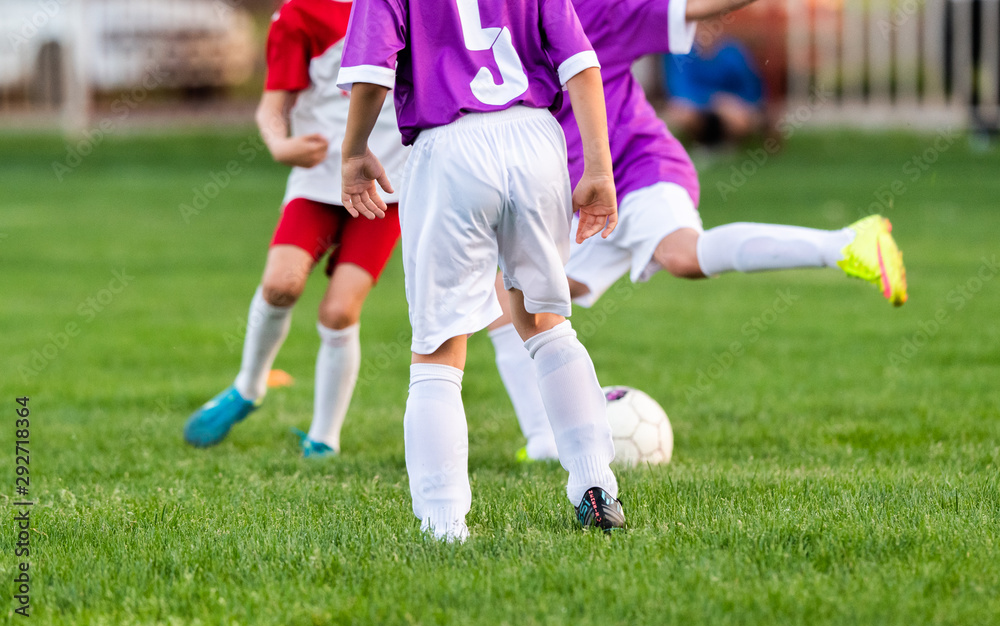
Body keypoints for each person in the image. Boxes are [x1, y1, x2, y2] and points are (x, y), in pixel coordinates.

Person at [485, 0, 908, 461]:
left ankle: (848, 244)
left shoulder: (595, 11)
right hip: (582, 201)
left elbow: (694, 6)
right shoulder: (490, 23)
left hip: (639, 170)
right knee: (512, 295)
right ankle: (545, 441)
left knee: (683, 256)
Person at [337, 0, 625, 540]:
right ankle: (596, 486)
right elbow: (581, 64)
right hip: (535, 138)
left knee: (438, 347)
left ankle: (444, 524)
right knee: (545, 323)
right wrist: (600, 169)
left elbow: (373, 74)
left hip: (448, 145)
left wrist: (354, 152)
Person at [183, 0, 408, 456]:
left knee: (339, 312)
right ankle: (248, 387)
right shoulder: (299, 14)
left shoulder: (408, 8)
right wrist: (279, 144)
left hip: (386, 188)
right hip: (318, 180)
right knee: (280, 285)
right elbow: (272, 106)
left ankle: (324, 439)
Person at [665, 36, 765, 146]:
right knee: (681, 112)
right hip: (697, 108)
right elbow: (678, 91)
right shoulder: (681, 53)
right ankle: (700, 140)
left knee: (743, 116)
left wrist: (731, 102)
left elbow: (752, 91)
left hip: (729, 110)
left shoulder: (733, 52)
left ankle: (726, 141)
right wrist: (714, 98)